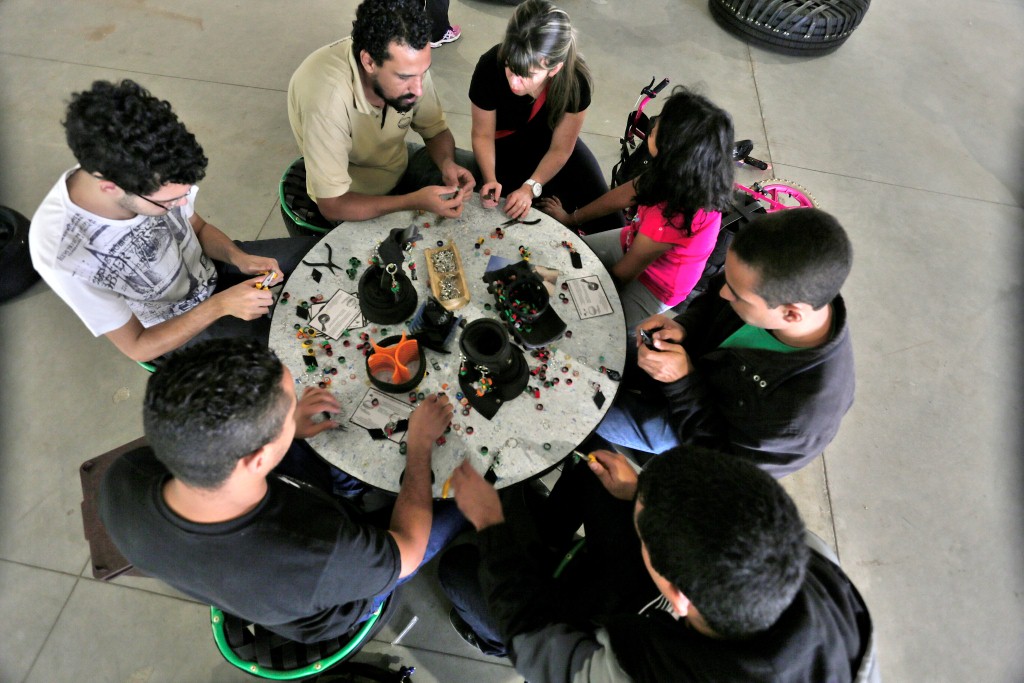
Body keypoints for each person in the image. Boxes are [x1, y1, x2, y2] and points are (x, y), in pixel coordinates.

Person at [100, 338, 462, 644]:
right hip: (332, 604)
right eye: (289, 410)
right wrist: (419, 447)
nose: (298, 411)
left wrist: (284, 432)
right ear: (258, 459)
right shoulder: (316, 549)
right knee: (461, 497)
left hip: (254, 583)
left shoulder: (124, 477)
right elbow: (409, 551)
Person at [439, 446, 878, 682]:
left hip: (613, 636)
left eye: (645, 536)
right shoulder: (812, 559)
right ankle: (542, 544)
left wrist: (491, 525)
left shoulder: (640, 673)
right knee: (591, 477)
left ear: (676, 594)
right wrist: (643, 490)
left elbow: (540, 651)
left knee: (460, 571)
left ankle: (490, 638)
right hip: (659, 612)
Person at [29, 79, 315, 363]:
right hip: (176, 326)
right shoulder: (63, 255)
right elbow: (139, 347)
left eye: (184, 194)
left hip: (211, 268)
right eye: (168, 202)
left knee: (325, 256)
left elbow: (199, 227)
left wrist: (238, 257)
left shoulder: (152, 167)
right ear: (109, 187)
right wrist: (219, 306)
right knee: (304, 351)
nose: (181, 204)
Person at [597, 207, 855, 477]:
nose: (723, 291)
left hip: (690, 425)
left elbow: (720, 462)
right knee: (593, 348)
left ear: (791, 314)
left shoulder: (800, 418)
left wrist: (681, 383)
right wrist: (684, 326)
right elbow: (711, 300)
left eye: (737, 294)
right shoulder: (768, 284)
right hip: (684, 367)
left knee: (581, 412)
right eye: (727, 280)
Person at [540, 87, 735, 328]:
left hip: (655, 287)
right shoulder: (680, 172)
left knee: (582, 321)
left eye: (662, 123)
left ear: (674, 149)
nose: (654, 123)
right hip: (633, 240)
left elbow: (623, 274)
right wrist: (572, 219)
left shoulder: (674, 214)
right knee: (557, 262)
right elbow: (627, 193)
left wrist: (576, 296)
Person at [287, 0, 477, 224]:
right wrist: (413, 201)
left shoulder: (409, 65)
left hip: (396, 164)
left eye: (423, 73)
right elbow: (334, 205)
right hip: (354, 196)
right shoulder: (326, 100)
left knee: (475, 169)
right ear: (369, 62)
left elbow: (435, 131)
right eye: (404, 77)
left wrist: (447, 164)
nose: (418, 89)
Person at [470, 0, 620, 232]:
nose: (514, 81)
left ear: (555, 68)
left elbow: (561, 148)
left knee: (610, 222)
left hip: (555, 145)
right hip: (505, 147)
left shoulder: (575, 81)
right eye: (510, 66)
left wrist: (530, 187)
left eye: (527, 74)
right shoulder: (490, 65)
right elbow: (482, 135)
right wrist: (490, 177)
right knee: (504, 219)